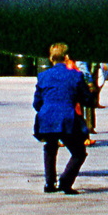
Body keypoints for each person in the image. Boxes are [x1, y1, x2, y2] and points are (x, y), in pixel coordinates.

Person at [33, 43, 92, 193]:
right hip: (67, 118)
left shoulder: (43, 76)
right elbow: (87, 99)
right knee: (79, 153)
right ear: (66, 57)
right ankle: (65, 181)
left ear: (50, 58)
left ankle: (49, 184)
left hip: (46, 118)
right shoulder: (75, 75)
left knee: (50, 148)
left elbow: (37, 102)